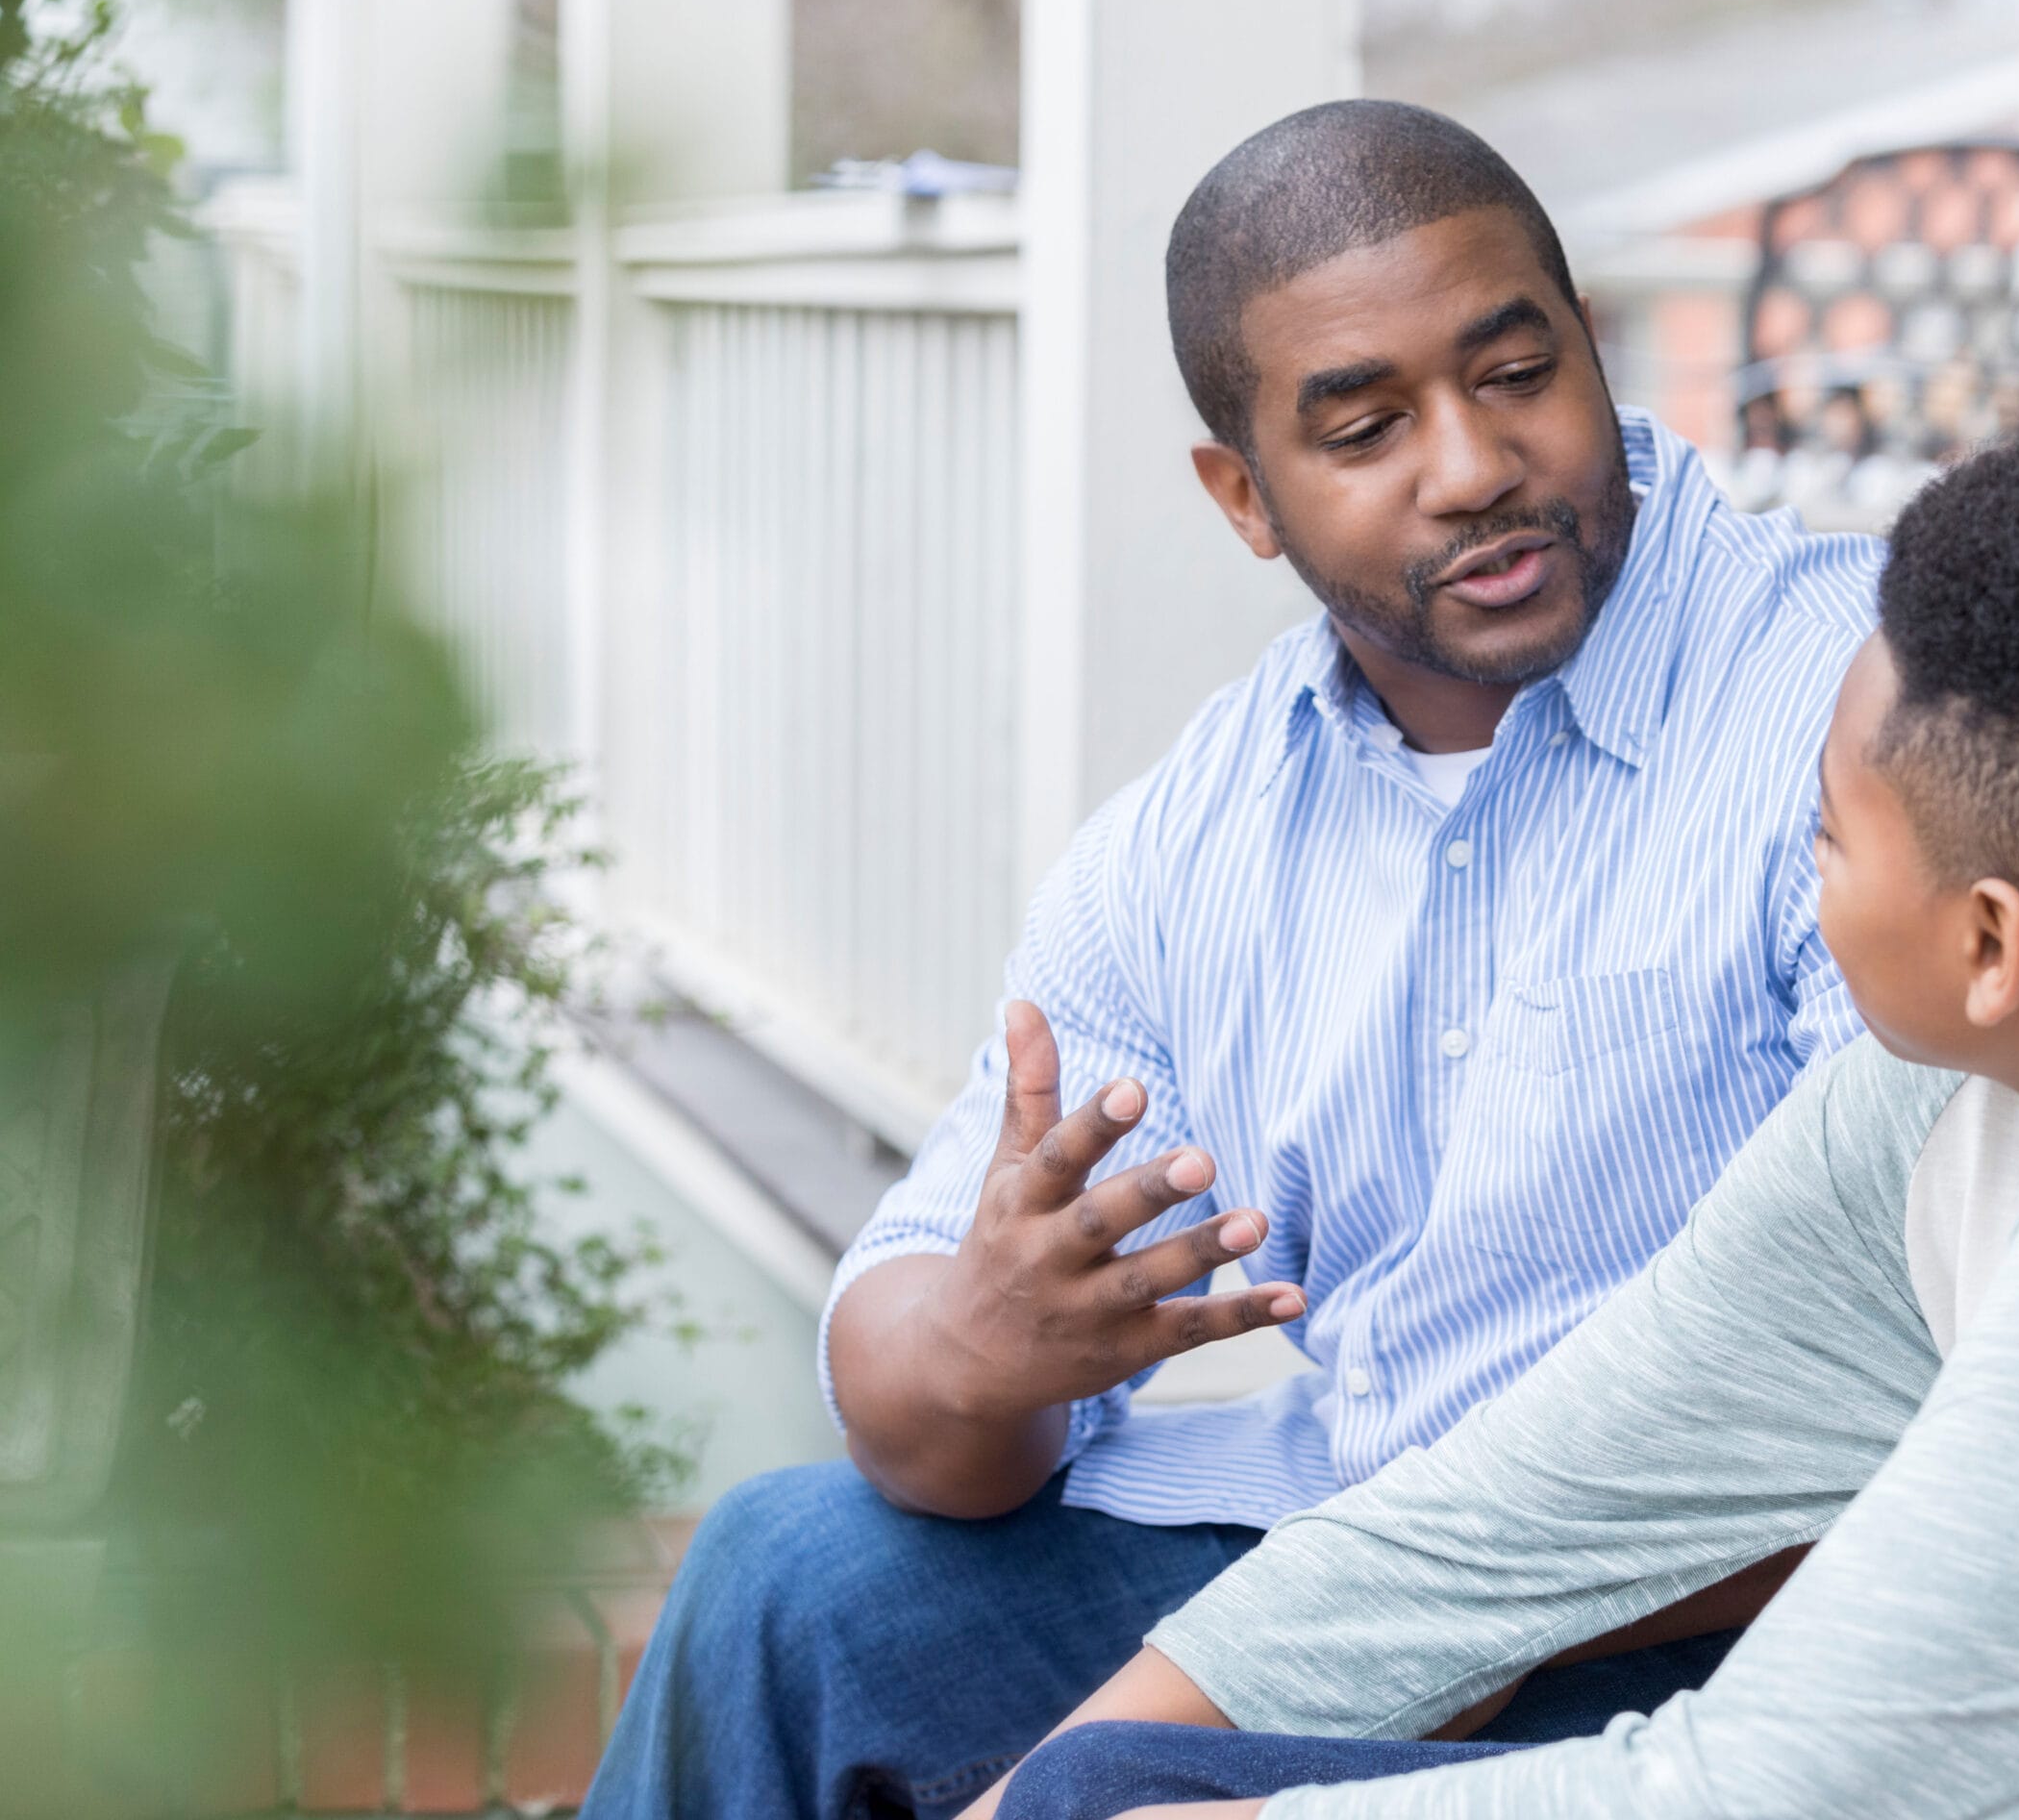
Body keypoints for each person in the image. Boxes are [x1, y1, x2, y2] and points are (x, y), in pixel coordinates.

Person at [987, 436, 2019, 1820]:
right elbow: (1509, 1515)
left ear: (1990, 941)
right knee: (1105, 1780)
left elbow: (1755, 1795)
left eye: (1826, 830)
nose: (1798, 870)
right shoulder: (1961, 1096)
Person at [580, 100, 1897, 1820]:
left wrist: (1215, 1695)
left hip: (1743, 1610)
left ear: (1593, 346)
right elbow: (909, 1372)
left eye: (1517, 373)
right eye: (1364, 425)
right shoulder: (1199, 839)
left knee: (1105, 1782)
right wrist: (989, 1344)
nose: (1473, 464)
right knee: (791, 1576)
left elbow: (1894, 1381)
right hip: (1356, 1557)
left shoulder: (1866, 713)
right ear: (1245, 496)